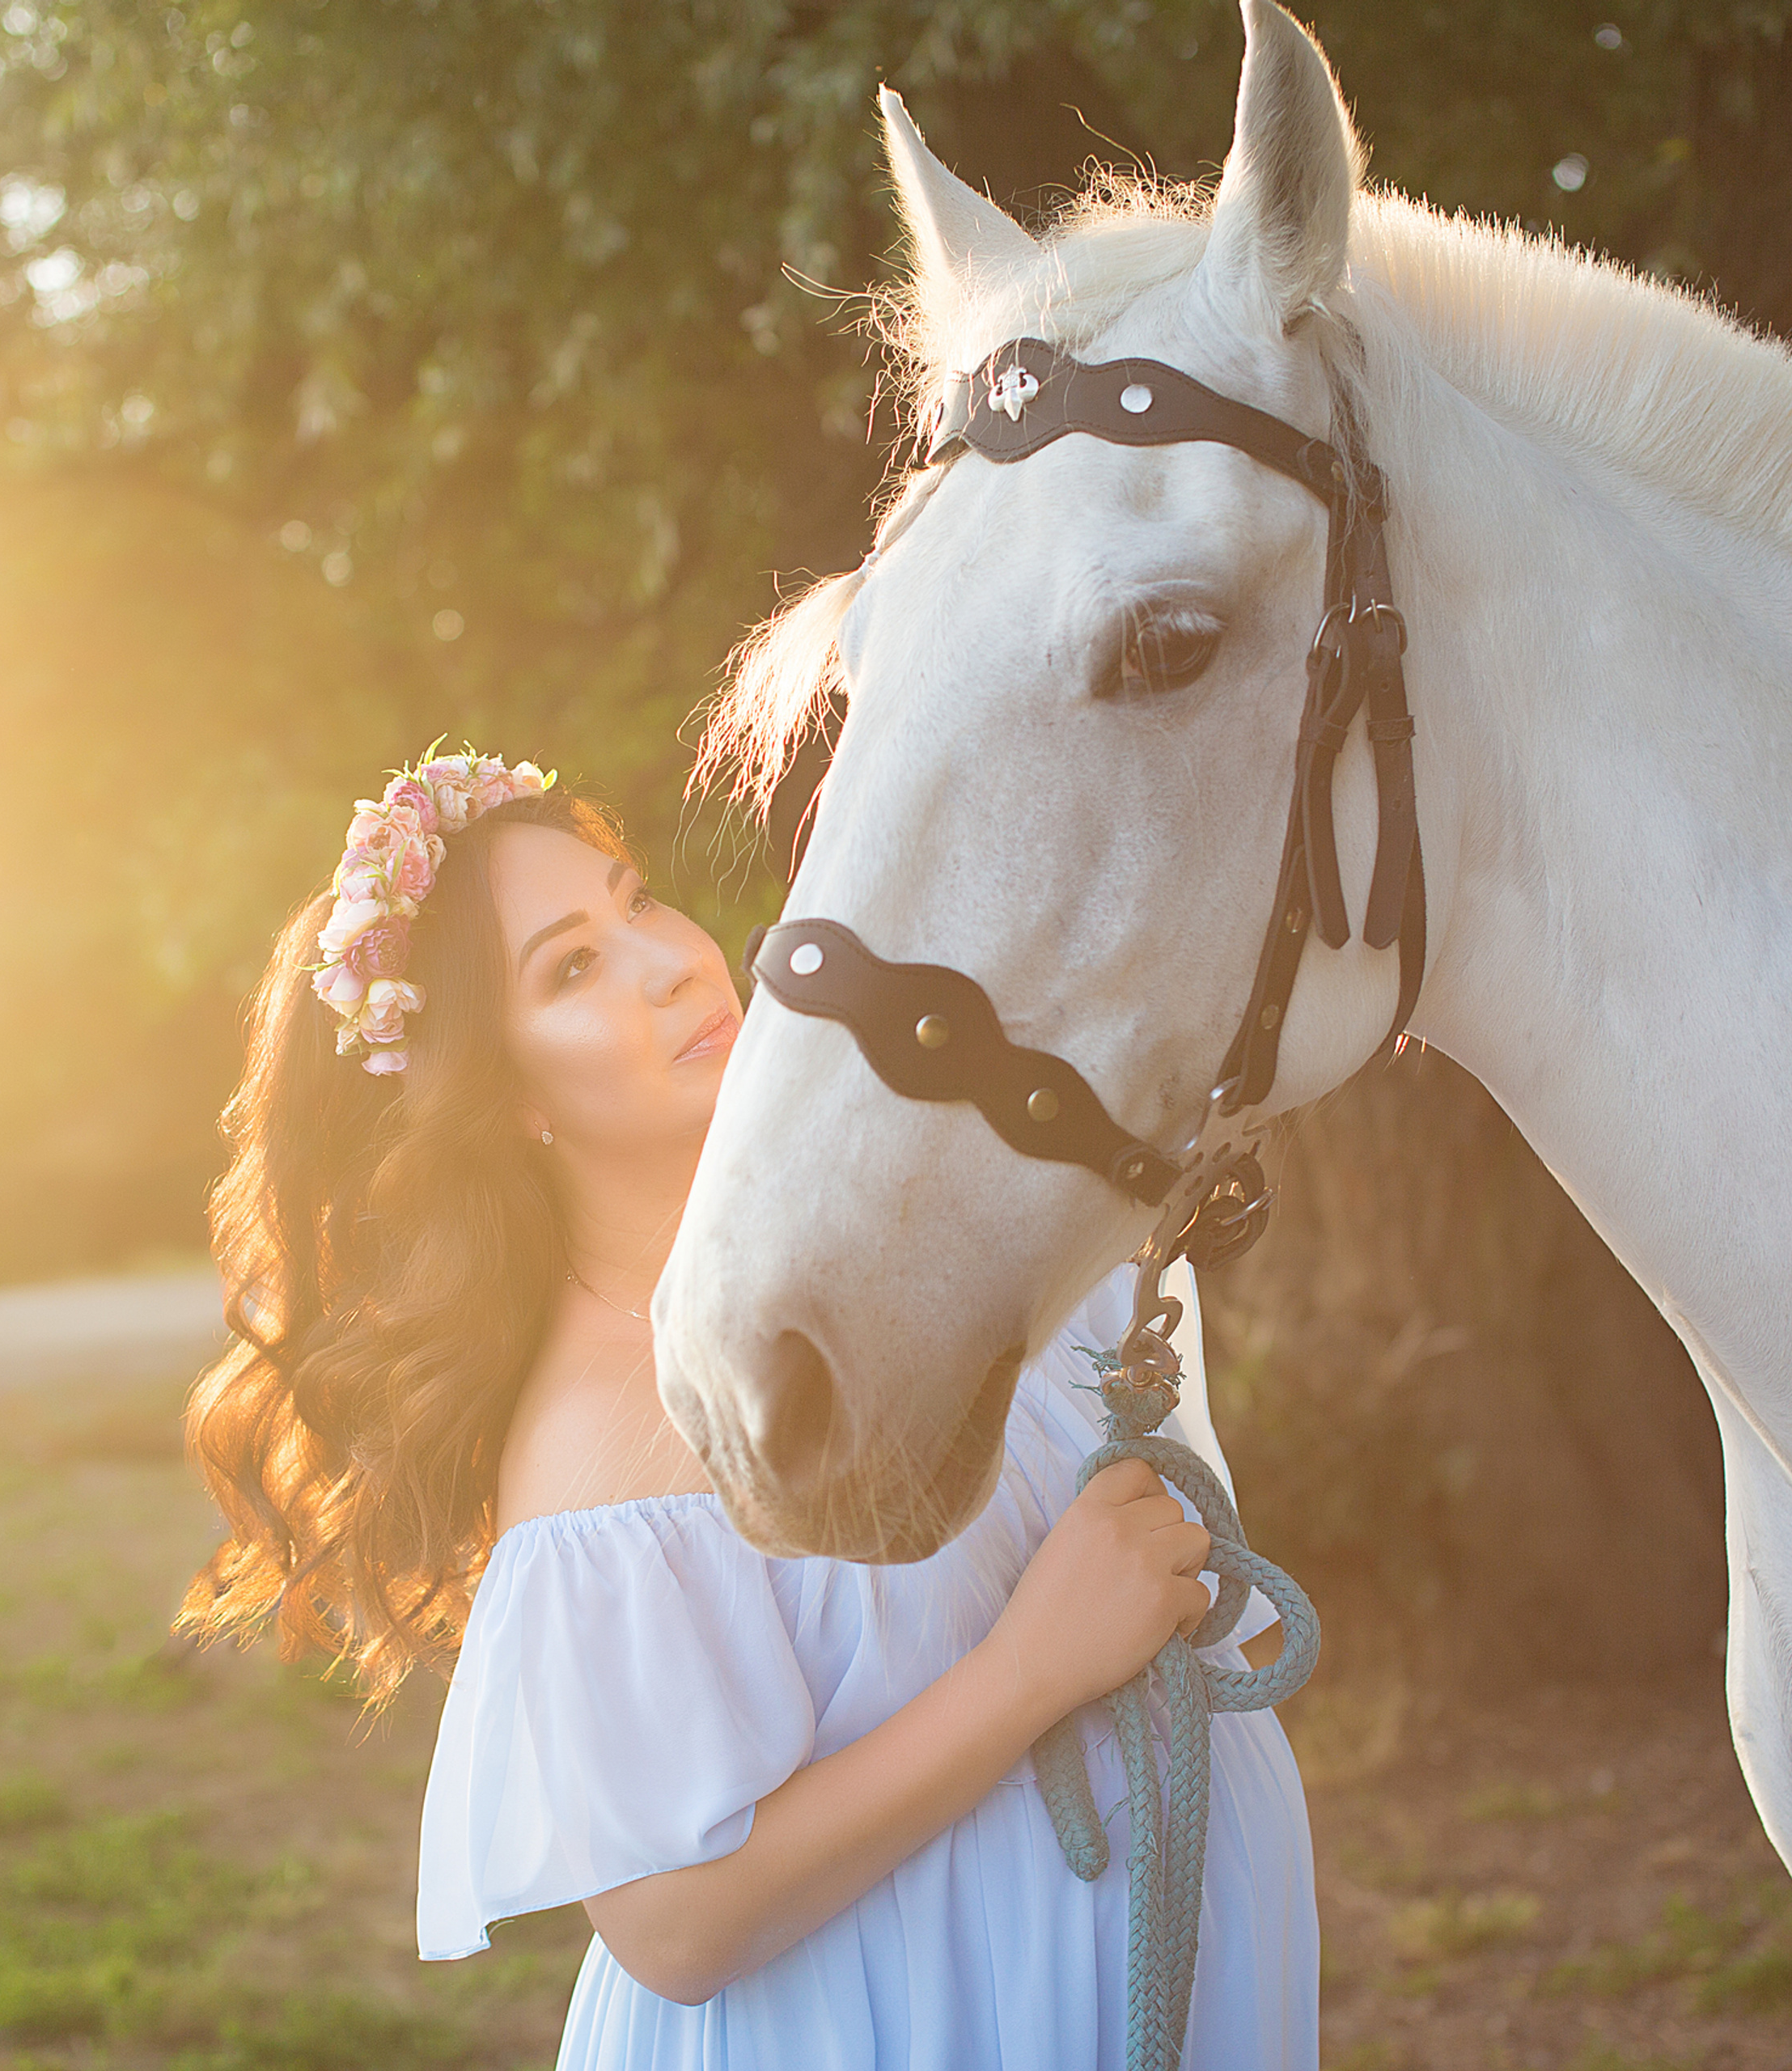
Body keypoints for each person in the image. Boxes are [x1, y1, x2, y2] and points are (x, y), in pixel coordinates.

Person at [180, 747, 1318, 2071]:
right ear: (507, 1101)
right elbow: (677, 1928)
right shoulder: (595, 1448)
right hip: (903, 2021)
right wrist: (1030, 1674)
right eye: (572, 968)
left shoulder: (952, 1223)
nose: (668, 961)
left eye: (635, 900)